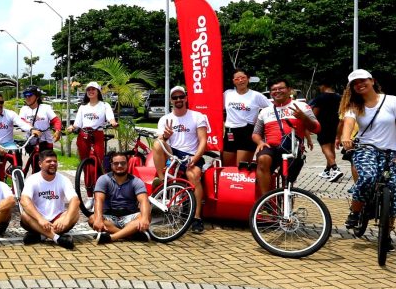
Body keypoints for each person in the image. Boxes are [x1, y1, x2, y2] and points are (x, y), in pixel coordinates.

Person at [339, 69, 396, 251]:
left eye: (363, 80)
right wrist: (346, 137)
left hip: (392, 152)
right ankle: (355, 212)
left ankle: (386, 235)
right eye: (355, 83)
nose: (359, 84)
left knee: (392, 191)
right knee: (368, 177)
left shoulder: (392, 101)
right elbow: (348, 124)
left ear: (372, 81)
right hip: (366, 149)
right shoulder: (353, 105)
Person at [150, 86, 210, 233]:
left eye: (181, 97)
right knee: (158, 143)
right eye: (175, 98)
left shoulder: (197, 116)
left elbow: (203, 141)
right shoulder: (165, 119)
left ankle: (197, 218)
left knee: (193, 175)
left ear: (186, 98)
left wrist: (195, 158)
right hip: (173, 154)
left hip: (191, 154)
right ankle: (162, 179)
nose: (178, 100)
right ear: (171, 100)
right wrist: (166, 136)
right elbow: (160, 141)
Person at [252, 79, 320, 195]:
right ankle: (265, 200)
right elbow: (256, 133)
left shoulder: (302, 106)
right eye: (274, 89)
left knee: (288, 180)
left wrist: (303, 117)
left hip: (292, 148)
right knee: (263, 159)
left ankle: (287, 200)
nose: (277, 91)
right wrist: (260, 142)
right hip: (271, 148)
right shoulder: (265, 111)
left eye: (281, 88)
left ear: (289, 90)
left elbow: (317, 128)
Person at [19, 149, 79, 249]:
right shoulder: (32, 179)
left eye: (55, 161)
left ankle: (41, 236)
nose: (53, 164)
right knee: (25, 215)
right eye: (48, 161)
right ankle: (57, 238)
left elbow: (75, 200)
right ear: (40, 164)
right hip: (38, 220)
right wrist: (40, 219)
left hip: (57, 220)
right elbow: (24, 200)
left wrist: (66, 220)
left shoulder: (63, 179)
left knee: (75, 214)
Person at [90, 152, 151, 244]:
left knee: (146, 216)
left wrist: (145, 218)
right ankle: (130, 234)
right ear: (111, 165)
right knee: (92, 219)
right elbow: (99, 200)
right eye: (116, 163)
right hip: (110, 217)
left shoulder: (136, 181)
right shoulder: (103, 179)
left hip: (130, 217)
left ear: (127, 164)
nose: (119, 165)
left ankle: (112, 237)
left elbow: (144, 201)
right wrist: (98, 219)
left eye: (123, 163)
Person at [0, 92, 38, 175]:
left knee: (17, 158)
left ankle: (17, 180)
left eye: (1, 102)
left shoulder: (10, 114)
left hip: (8, 144)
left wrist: (31, 129)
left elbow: (21, 123)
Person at [222, 69, 270, 167]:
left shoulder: (256, 95)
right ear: (233, 81)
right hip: (230, 132)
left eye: (243, 78)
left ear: (248, 79)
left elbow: (271, 109)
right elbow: (217, 109)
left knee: (241, 167)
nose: (240, 81)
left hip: (247, 132)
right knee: (226, 168)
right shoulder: (227, 94)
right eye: (237, 79)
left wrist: (261, 123)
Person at [68, 81, 119, 161]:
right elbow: (77, 123)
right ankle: (86, 172)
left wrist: (113, 123)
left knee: (99, 159)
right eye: (88, 90)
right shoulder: (82, 106)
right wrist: (72, 127)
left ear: (98, 91)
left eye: (93, 89)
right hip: (84, 135)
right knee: (84, 159)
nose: (90, 91)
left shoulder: (104, 105)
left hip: (97, 134)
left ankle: (99, 172)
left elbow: (110, 117)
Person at [310, 81, 344, 182]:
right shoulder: (339, 97)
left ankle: (335, 168)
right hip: (335, 125)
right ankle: (327, 170)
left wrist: (311, 126)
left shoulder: (320, 98)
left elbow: (314, 114)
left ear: (324, 85)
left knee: (325, 148)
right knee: (331, 147)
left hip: (323, 125)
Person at [17, 85, 62, 161]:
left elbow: (56, 120)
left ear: (37, 97)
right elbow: (21, 121)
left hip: (45, 141)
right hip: (31, 141)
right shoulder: (24, 109)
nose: (27, 98)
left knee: (47, 163)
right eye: (25, 95)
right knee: (35, 164)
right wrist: (31, 128)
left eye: (30, 95)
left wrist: (57, 131)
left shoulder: (45, 108)